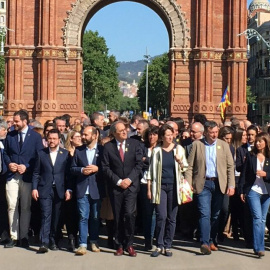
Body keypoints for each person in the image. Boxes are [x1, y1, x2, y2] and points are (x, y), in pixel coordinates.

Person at [185, 121, 235, 255]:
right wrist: (188, 183)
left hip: (219, 183)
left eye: (216, 132)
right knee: (204, 213)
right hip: (203, 183)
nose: (214, 135)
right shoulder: (197, 145)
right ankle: (205, 242)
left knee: (216, 214)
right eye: (211, 132)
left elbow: (230, 166)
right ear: (206, 132)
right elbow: (189, 166)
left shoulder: (223, 145)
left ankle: (213, 240)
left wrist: (231, 185)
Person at [102, 121, 143, 257]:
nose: (125, 132)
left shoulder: (135, 144)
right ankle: (119, 244)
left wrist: (129, 180)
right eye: (121, 131)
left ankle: (129, 244)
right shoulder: (108, 147)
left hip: (131, 187)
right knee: (118, 216)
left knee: (129, 214)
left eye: (125, 129)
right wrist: (119, 181)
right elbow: (105, 167)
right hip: (116, 187)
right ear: (114, 133)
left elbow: (139, 165)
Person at [4, 109, 43, 248]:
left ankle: (24, 236)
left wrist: (26, 166)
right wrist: (10, 163)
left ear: (25, 121)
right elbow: (6, 153)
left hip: (27, 176)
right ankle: (13, 236)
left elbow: (38, 156)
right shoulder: (11, 135)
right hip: (12, 176)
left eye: (17, 121)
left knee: (26, 206)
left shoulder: (36, 137)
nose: (14, 124)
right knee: (12, 205)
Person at [146, 124, 188, 257]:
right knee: (161, 216)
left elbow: (185, 168)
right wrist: (149, 189)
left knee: (172, 217)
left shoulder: (179, 149)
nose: (170, 137)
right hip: (160, 187)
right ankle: (159, 245)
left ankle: (168, 245)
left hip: (174, 187)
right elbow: (151, 171)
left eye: (172, 135)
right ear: (162, 137)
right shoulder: (157, 150)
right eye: (167, 135)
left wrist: (180, 161)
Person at [32, 129, 72, 253]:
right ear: (47, 139)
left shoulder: (65, 154)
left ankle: (53, 239)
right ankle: (44, 242)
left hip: (59, 189)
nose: (52, 141)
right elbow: (36, 172)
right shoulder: (41, 153)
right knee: (46, 215)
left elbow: (68, 175)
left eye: (54, 139)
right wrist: (34, 188)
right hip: (45, 189)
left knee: (56, 216)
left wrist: (68, 189)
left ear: (59, 139)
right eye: (50, 138)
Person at [71, 126, 104, 255]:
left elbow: (108, 167)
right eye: (82, 135)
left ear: (95, 136)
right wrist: (81, 170)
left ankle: (94, 241)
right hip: (82, 188)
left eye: (86, 135)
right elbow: (72, 168)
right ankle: (82, 244)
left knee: (95, 217)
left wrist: (98, 169)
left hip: (96, 188)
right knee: (83, 217)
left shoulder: (102, 150)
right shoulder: (78, 151)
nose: (83, 137)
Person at [239, 132, 270, 258]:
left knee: (263, 219)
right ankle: (259, 247)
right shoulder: (250, 155)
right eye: (256, 141)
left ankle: (259, 244)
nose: (257, 143)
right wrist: (241, 190)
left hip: (266, 192)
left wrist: (266, 175)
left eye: (260, 141)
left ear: (266, 142)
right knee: (257, 218)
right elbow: (244, 175)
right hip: (253, 191)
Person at [139, 125, 159, 250]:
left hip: (158, 183)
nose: (152, 137)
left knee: (159, 213)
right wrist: (148, 161)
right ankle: (148, 239)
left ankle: (158, 237)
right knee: (148, 213)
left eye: (155, 134)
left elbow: (159, 163)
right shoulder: (142, 147)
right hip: (144, 183)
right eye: (150, 134)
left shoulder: (161, 148)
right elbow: (139, 162)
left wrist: (147, 160)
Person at [64, 130, 82, 251]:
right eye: (77, 137)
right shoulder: (65, 154)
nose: (80, 138)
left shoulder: (82, 152)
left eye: (81, 136)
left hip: (80, 185)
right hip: (68, 186)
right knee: (70, 213)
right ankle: (71, 237)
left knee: (80, 213)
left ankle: (80, 238)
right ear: (71, 139)